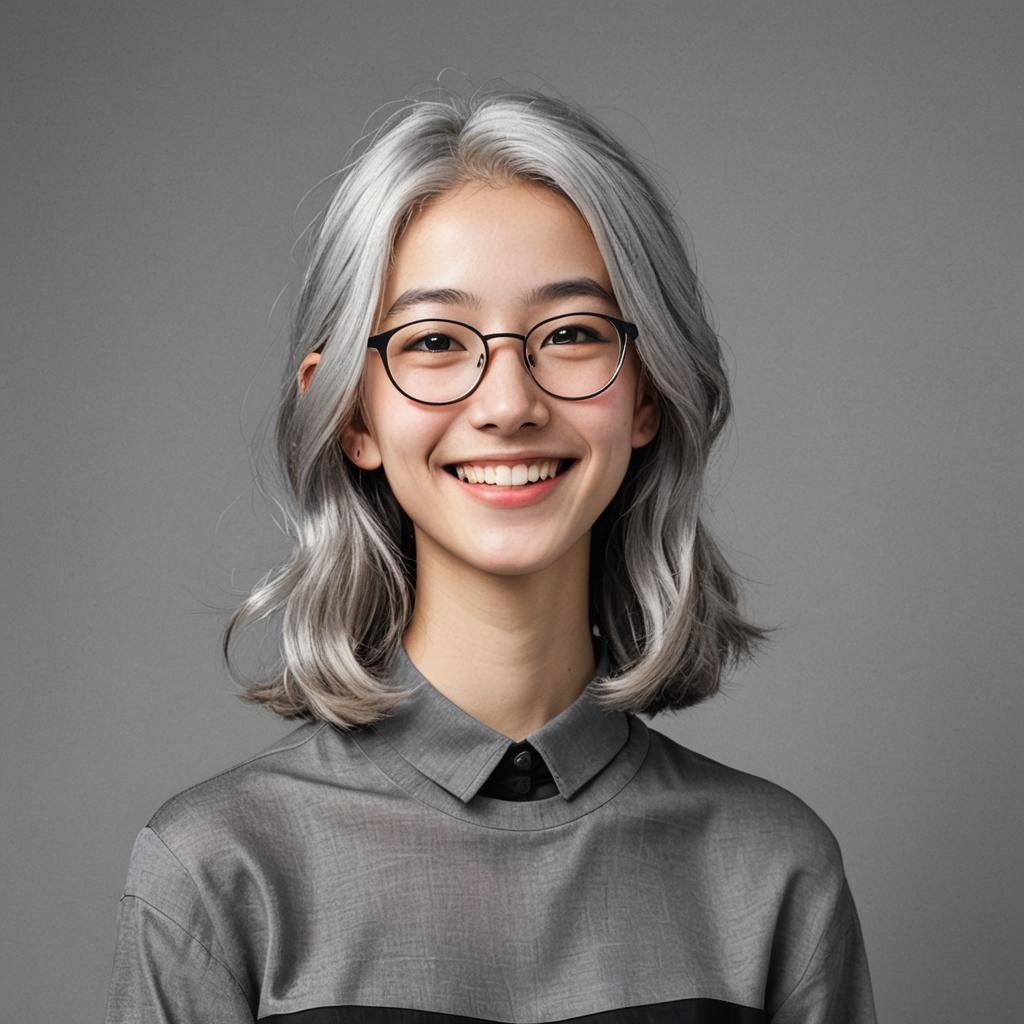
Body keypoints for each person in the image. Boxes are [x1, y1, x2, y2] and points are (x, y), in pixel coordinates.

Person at [105, 82, 877, 1023]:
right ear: (349, 410)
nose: (508, 404)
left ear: (647, 397)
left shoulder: (772, 869)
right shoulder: (218, 871)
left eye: (572, 335)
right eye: (435, 341)